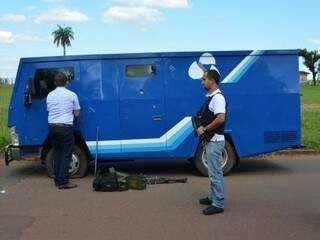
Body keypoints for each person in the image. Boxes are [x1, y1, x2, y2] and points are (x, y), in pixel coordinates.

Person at [196, 69, 226, 215]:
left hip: (214, 141)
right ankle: (212, 197)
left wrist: (205, 128)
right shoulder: (211, 97)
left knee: (215, 173)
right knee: (212, 172)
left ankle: (218, 203)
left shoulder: (218, 98)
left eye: (204, 79)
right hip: (211, 140)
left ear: (212, 81)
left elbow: (220, 118)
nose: (202, 82)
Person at [46, 72, 80, 189]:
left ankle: (57, 180)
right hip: (65, 127)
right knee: (66, 155)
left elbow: (49, 110)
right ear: (67, 82)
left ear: (55, 83)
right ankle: (64, 182)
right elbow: (77, 113)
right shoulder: (72, 95)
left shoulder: (49, 95)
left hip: (52, 127)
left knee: (57, 153)